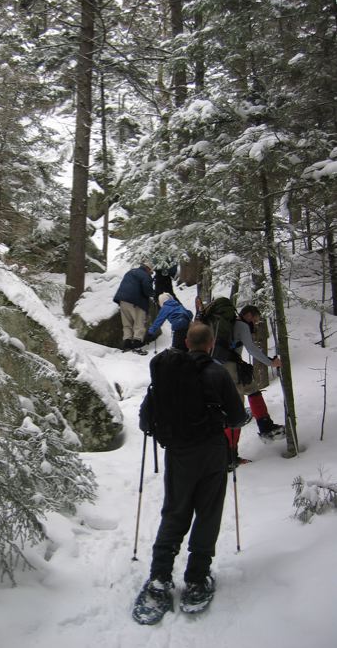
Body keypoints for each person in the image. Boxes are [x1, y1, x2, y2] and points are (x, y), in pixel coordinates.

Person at [137, 322, 247, 616]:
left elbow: (145, 422)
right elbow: (236, 418)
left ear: (187, 342)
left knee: (175, 510)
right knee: (208, 512)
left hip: (178, 455)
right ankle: (197, 578)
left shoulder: (168, 373)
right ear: (211, 344)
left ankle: (159, 578)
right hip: (211, 452)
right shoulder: (217, 372)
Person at [198, 301, 285, 468]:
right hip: (229, 369)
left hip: (220, 366)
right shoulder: (240, 325)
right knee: (234, 410)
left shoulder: (226, 325)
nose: (255, 324)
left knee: (253, 390)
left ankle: (266, 426)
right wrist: (270, 362)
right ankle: (230, 457)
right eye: (255, 320)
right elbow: (252, 349)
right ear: (249, 315)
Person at [113, 263, 154, 353]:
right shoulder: (145, 275)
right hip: (136, 302)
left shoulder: (130, 272)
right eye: (151, 272)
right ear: (148, 269)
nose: (151, 274)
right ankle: (137, 346)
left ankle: (127, 345)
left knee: (127, 324)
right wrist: (153, 294)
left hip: (122, 301)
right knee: (139, 324)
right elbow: (147, 289)